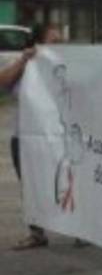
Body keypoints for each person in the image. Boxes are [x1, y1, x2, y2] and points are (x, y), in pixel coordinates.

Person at [1, 24, 63, 249]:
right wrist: (24, 60)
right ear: (37, 44)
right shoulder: (27, 64)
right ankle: (36, 232)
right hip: (25, 137)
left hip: (57, 136)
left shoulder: (64, 65)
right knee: (30, 184)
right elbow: (3, 82)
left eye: (60, 42)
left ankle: (78, 229)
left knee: (64, 182)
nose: (58, 47)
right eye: (53, 42)